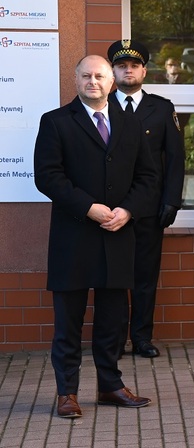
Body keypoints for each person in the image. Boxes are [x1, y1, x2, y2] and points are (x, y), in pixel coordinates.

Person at [33, 55, 158, 418]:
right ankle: (67, 393)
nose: (93, 81)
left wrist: (128, 210)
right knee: (68, 322)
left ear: (112, 80)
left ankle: (110, 386)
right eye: (86, 76)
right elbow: (48, 176)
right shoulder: (56, 122)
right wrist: (89, 207)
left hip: (118, 234)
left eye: (100, 76)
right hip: (74, 236)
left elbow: (149, 177)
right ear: (75, 80)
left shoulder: (131, 123)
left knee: (113, 320)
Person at [108, 39, 186, 359]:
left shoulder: (162, 108)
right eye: (122, 66)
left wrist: (172, 200)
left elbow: (176, 158)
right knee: (112, 278)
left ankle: (141, 337)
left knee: (144, 277)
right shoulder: (100, 105)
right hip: (110, 209)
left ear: (144, 70)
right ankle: (112, 340)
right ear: (113, 71)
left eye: (134, 66)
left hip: (150, 209)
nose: (128, 70)